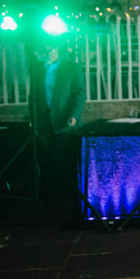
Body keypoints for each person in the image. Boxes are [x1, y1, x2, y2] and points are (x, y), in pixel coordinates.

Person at [28, 38, 86, 221]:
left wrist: (74, 115)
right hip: (44, 123)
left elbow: (80, 93)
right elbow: (34, 97)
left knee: (67, 164)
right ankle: (50, 206)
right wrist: (34, 121)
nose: (45, 53)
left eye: (48, 49)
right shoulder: (37, 68)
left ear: (55, 49)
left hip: (64, 122)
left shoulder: (72, 67)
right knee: (47, 165)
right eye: (43, 50)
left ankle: (69, 205)